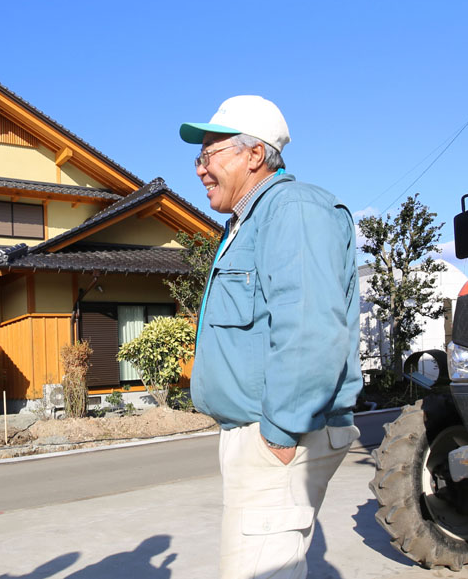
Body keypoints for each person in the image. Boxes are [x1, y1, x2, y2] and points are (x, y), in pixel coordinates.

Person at [180, 96, 361, 579]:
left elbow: (311, 329)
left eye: (209, 154)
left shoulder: (293, 209)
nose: (200, 169)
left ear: (253, 155)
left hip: (281, 436)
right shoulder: (250, 219)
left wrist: (279, 434)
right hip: (263, 435)